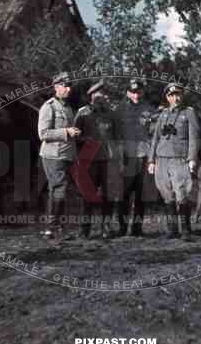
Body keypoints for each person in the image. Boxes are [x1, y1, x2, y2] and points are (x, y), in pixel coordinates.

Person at [147, 83, 201, 241]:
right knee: (166, 194)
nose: (175, 98)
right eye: (171, 95)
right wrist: (151, 160)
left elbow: (194, 138)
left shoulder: (189, 113)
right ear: (167, 97)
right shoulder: (163, 114)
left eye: (178, 95)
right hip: (161, 159)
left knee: (182, 193)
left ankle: (186, 230)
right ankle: (172, 229)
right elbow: (155, 138)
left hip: (179, 159)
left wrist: (192, 158)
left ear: (182, 95)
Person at [74, 79, 123, 239]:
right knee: (88, 195)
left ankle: (106, 228)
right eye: (100, 94)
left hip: (107, 160)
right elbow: (75, 136)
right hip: (89, 160)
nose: (103, 97)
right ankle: (84, 229)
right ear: (91, 96)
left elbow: (117, 137)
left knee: (108, 196)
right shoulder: (82, 113)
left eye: (104, 94)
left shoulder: (111, 114)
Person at [38, 71, 80, 240]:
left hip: (66, 155)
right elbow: (43, 133)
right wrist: (66, 131)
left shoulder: (67, 107)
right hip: (52, 156)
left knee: (57, 191)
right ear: (56, 87)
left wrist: (74, 132)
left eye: (70, 86)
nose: (69, 89)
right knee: (59, 190)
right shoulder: (48, 107)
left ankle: (56, 227)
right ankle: (52, 227)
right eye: (65, 86)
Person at [115, 78, 154, 236]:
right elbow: (116, 134)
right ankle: (122, 228)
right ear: (127, 92)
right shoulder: (119, 110)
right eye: (132, 92)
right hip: (126, 156)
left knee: (141, 194)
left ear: (142, 92)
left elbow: (153, 134)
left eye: (138, 91)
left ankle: (137, 228)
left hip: (144, 155)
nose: (136, 94)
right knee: (123, 194)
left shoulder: (149, 109)